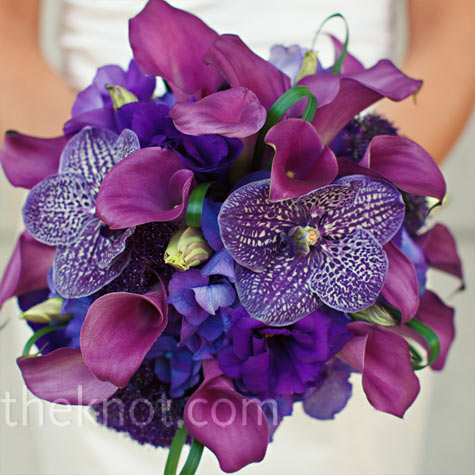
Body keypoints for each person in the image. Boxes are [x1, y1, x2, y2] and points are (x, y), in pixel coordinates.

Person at [0, 1, 473, 474]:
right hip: (113, 162)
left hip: (324, 154)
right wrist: (106, 175)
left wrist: (362, 175)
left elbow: (456, 26)